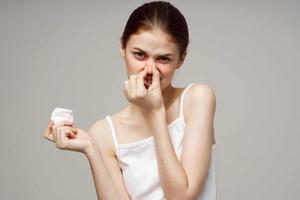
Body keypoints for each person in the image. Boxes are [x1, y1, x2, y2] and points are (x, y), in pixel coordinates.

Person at [43, 1, 217, 200]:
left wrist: (155, 112)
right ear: (122, 47)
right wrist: (91, 150)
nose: (150, 69)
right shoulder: (104, 133)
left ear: (181, 59)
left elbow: (182, 196)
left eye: (164, 58)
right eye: (140, 55)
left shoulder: (197, 99)